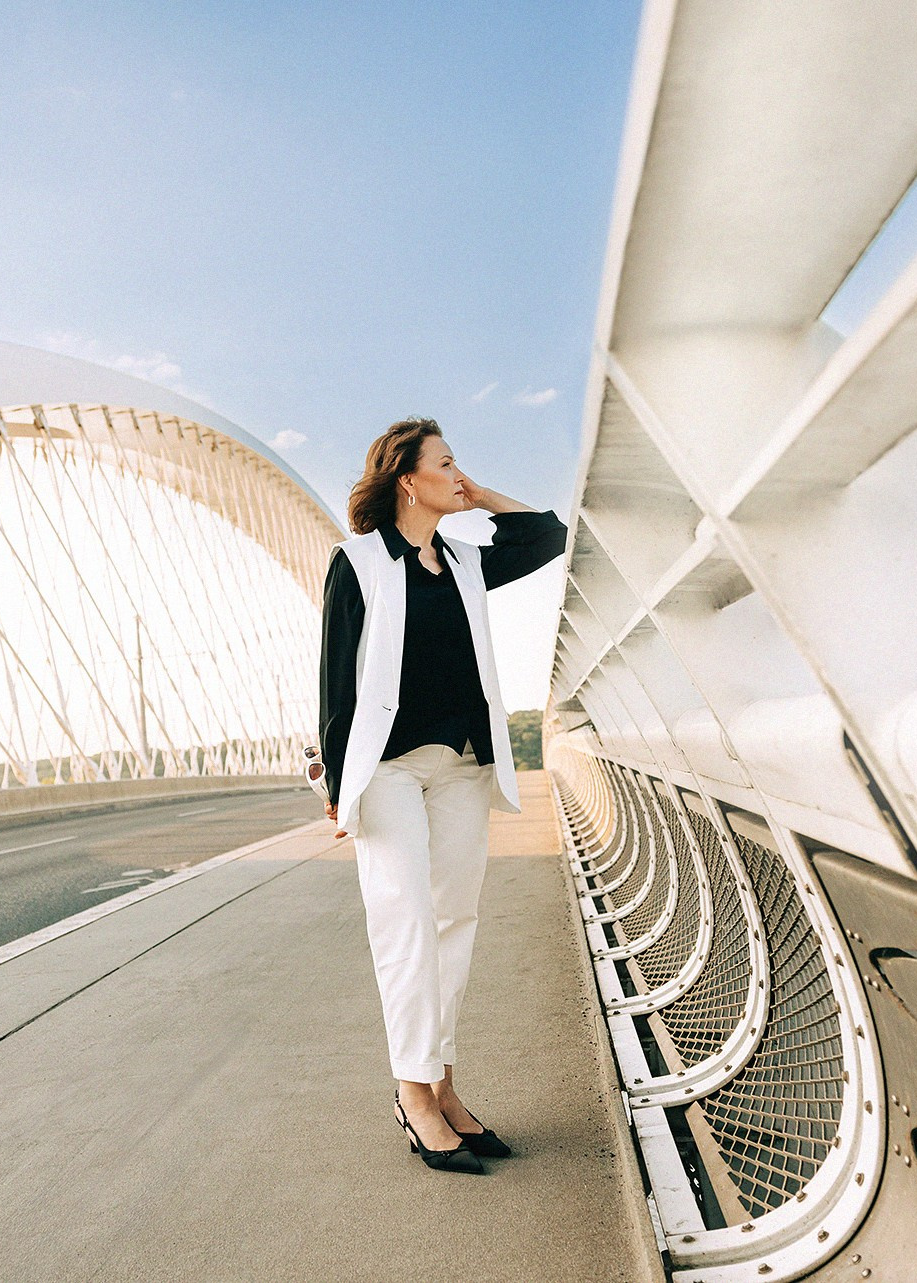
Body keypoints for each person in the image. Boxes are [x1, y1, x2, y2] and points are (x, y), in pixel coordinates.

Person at [317, 416, 567, 1175]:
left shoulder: (461, 559)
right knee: (407, 922)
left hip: (462, 766)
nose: (458, 473)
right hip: (389, 768)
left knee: (455, 919)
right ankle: (414, 1095)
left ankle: (446, 1085)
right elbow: (334, 678)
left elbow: (548, 536)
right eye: (446, 464)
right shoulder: (356, 561)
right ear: (406, 478)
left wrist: (477, 495)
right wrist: (337, 783)